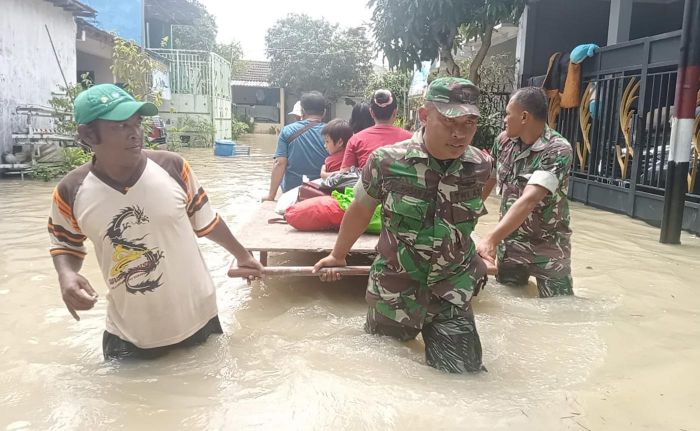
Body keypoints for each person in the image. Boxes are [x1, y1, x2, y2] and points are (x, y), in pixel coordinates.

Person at [48, 84, 263, 360]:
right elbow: (64, 245)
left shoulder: (173, 168)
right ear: (88, 134)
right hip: (130, 336)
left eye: (137, 123)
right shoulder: (71, 191)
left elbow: (207, 222)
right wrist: (66, 275)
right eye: (121, 126)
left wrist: (242, 255)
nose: (135, 133)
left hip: (198, 319)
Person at [313, 77, 495, 373]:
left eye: (469, 124)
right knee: (380, 376)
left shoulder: (481, 166)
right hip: (395, 292)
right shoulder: (386, 162)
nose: (460, 134)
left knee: (465, 381)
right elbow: (360, 208)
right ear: (424, 116)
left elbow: (476, 207)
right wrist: (338, 254)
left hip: (452, 294)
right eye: (450, 123)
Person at [477, 87, 574, 298]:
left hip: (549, 247)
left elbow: (529, 199)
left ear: (524, 117)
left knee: (561, 308)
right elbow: (490, 178)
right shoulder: (503, 142)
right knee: (507, 302)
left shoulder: (558, 150)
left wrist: (490, 239)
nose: (504, 119)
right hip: (510, 245)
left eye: (507, 113)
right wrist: (469, 214)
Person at [264, 91, 327, 200]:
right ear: (324, 112)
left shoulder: (287, 130)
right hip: (322, 192)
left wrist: (271, 196)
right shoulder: (332, 133)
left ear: (302, 111)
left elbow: (280, 163)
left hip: (292, 192)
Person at [340, 89, 412, 171]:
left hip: (366, 183)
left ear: (371, 113)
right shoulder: (412, 139)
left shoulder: (355, 140)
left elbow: (344, 175)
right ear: (395, 112)